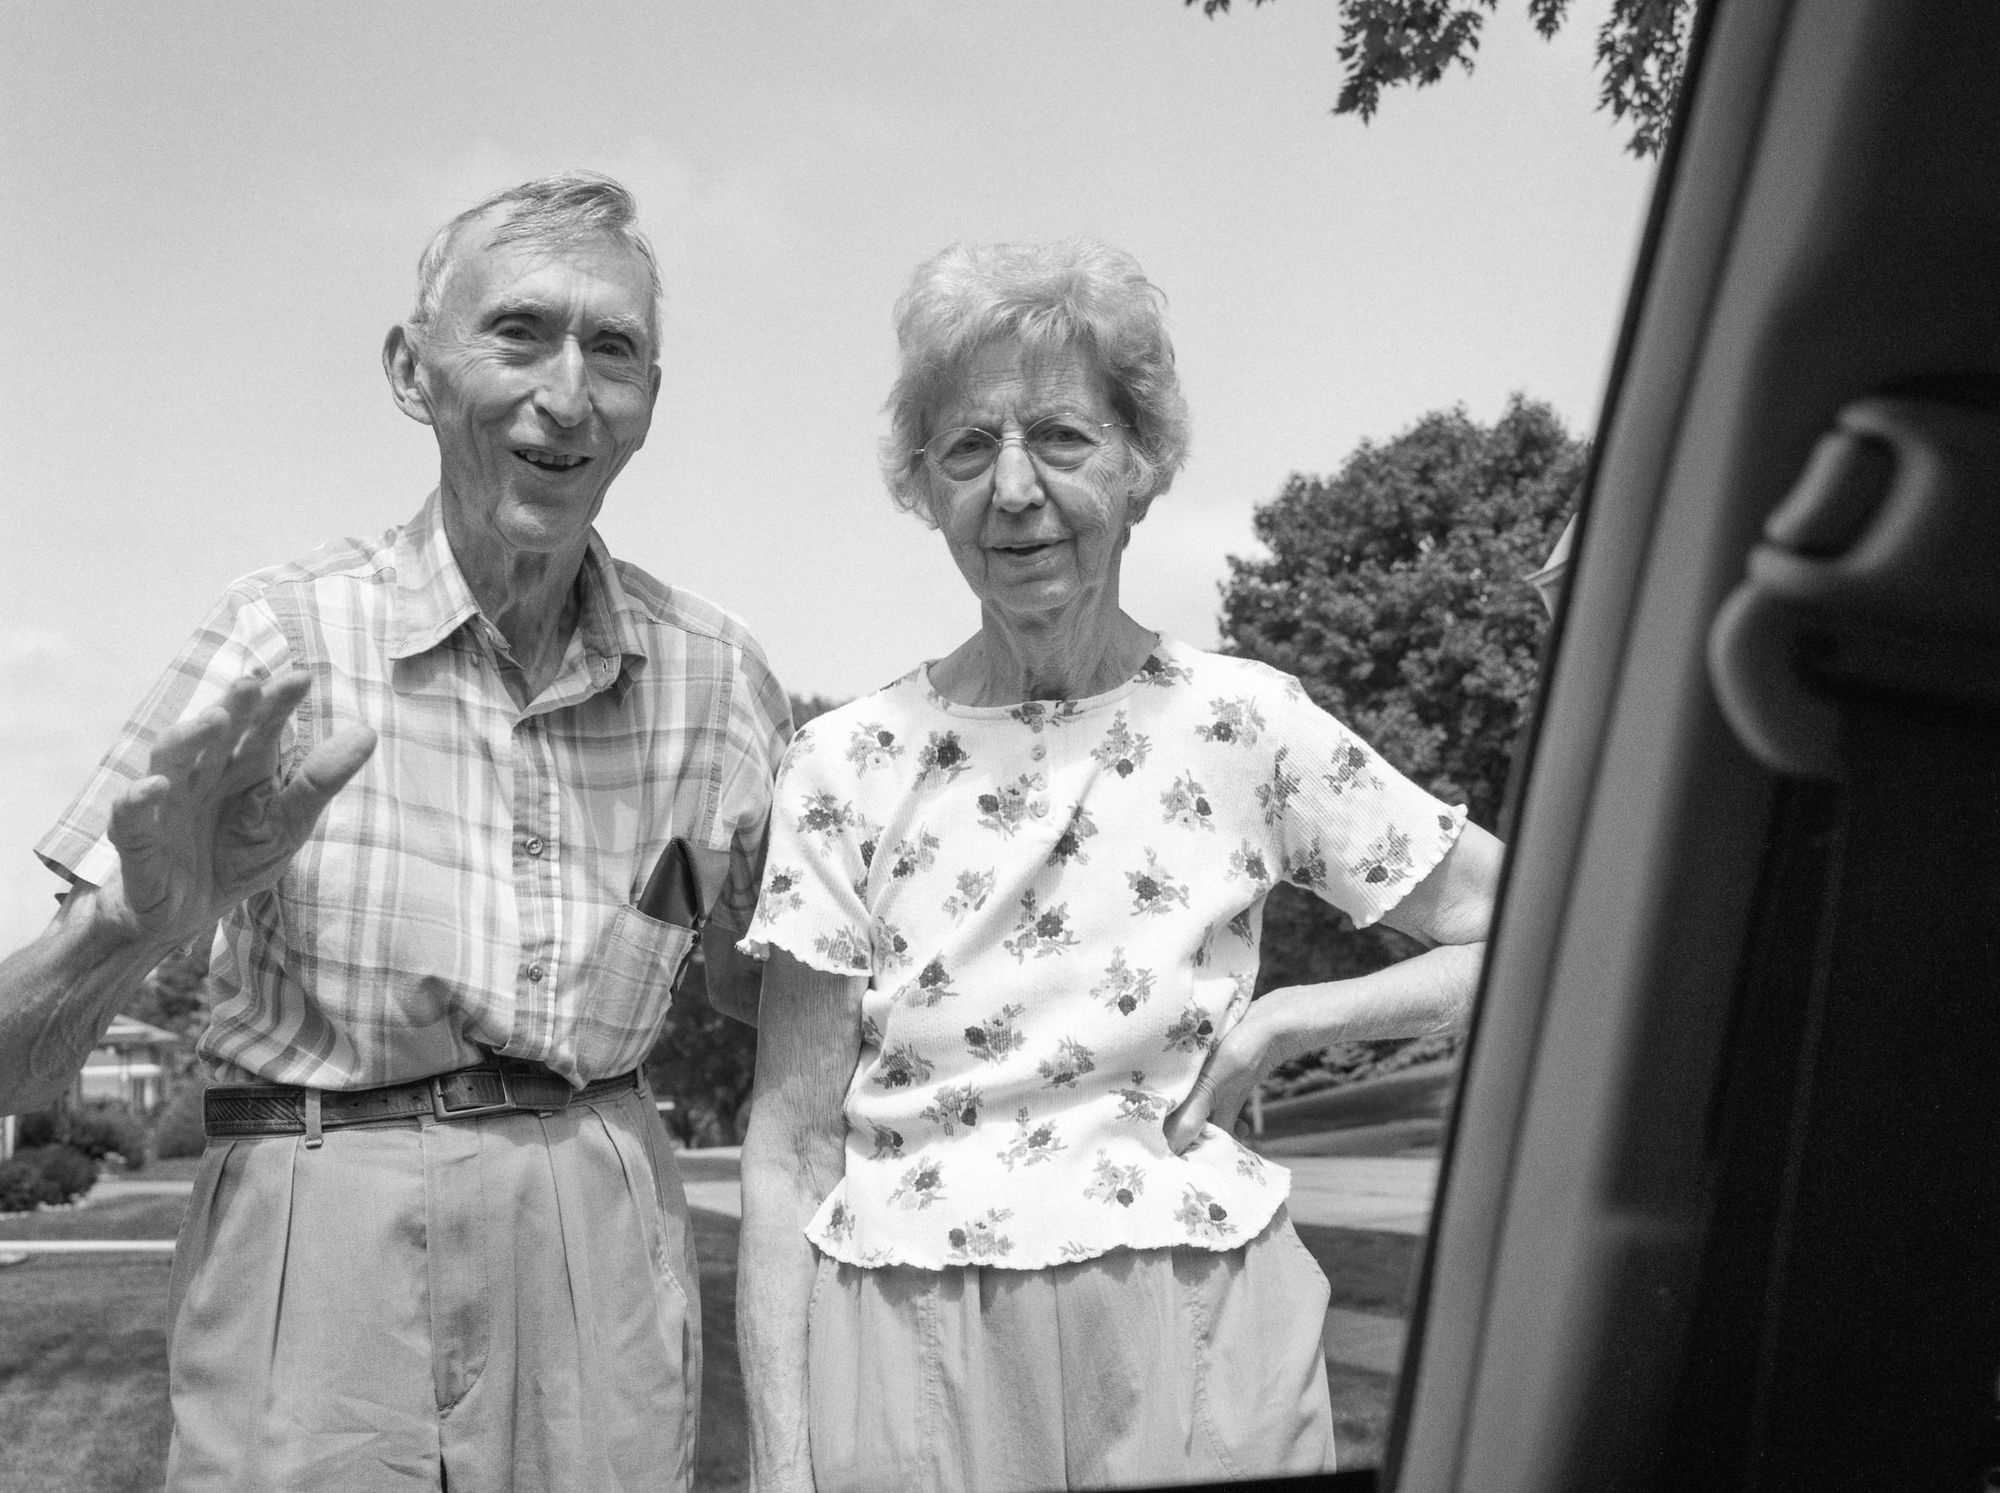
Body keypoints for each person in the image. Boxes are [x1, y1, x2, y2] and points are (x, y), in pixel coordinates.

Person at [0, 172, 791, 1492]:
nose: (568, 391)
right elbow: (21, 1070)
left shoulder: (724, 682)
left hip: (602, 1224)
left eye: (614, 349)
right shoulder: (279, 638)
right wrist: (132, 930)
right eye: (520, 332)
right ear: (413, 371)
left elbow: (736, 972)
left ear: (653, 398)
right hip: (317, 1232)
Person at [735, 239, 1505, 1492]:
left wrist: (1302, 1017)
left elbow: (1540, 934)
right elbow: (785, 1146)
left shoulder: (1242, 722)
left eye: (1061, 438)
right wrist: (776, 1468)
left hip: (1194, 1320)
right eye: (967, 449)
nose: (1015, 489)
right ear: (922, 488)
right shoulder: (842, 761)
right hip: (906, 1346)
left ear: (1142, 465)